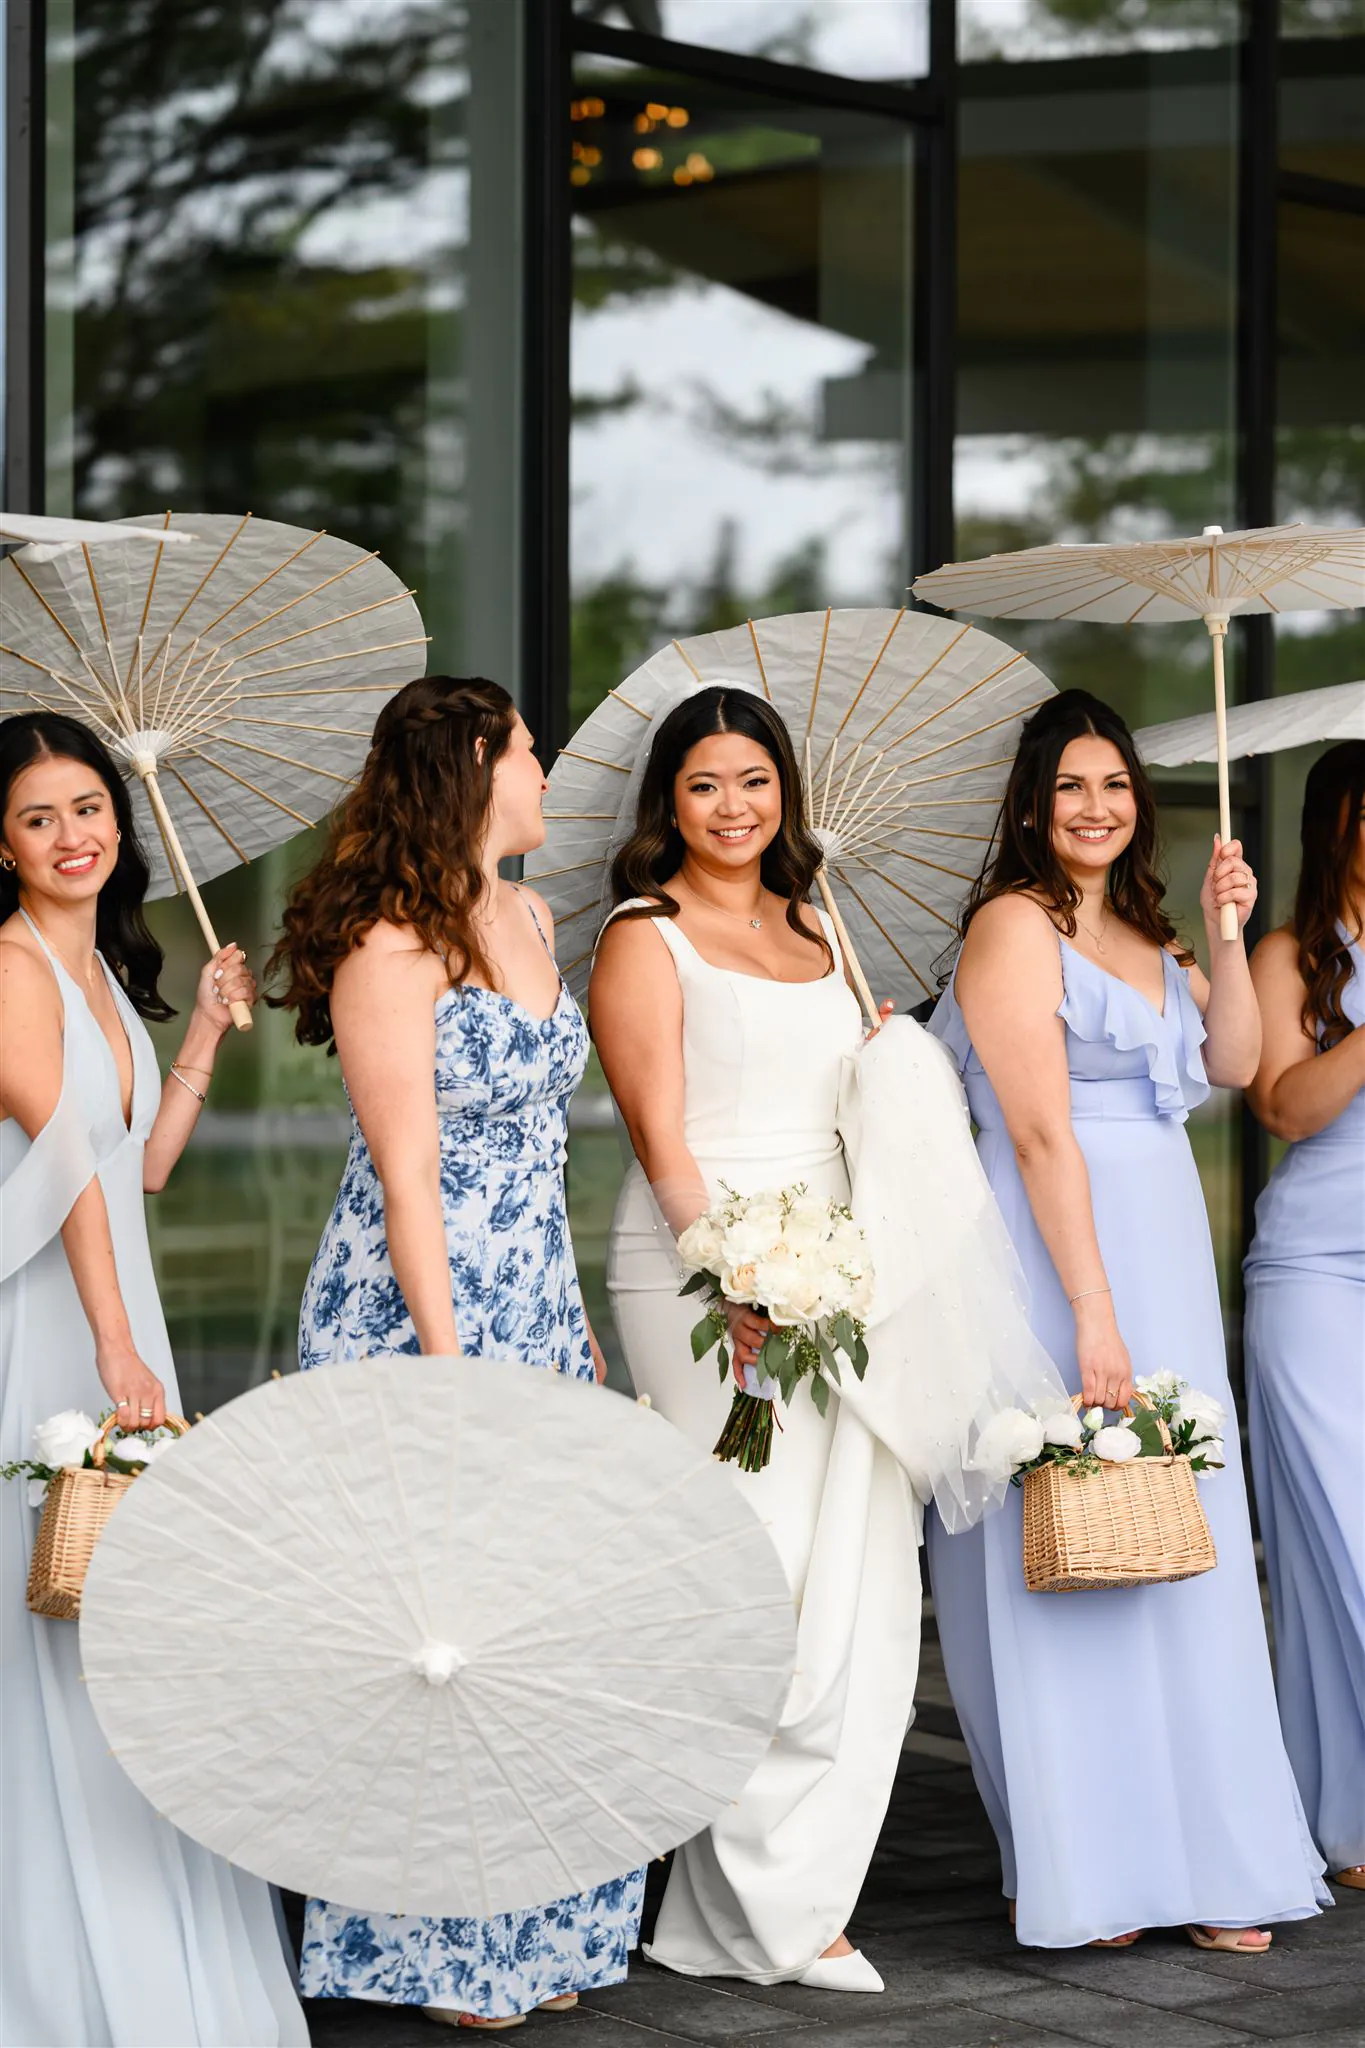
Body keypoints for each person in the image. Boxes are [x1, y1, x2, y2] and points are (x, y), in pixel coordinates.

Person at [266, 674, 644, 2031]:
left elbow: (542, 1152)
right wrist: (448, 1357)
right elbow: (406, 1171)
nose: (547, 776)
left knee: (534, 1625)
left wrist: (568, 1321)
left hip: (530, 1294)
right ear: (472, 773)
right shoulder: (387, 942)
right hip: (416, 1308)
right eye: (530, 754)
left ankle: (530, 1930)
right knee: (433, 1636)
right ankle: (430, 1950)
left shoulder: (532, 915)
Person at [925, 688, 1330, 1953]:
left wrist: (1225, 930)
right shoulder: (1010, 926)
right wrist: (1092, 1318)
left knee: (1179, 1540)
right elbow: (1041, 1131)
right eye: (1070, 789)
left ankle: (1210, 1851)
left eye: (1113, 787)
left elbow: (1228, 1063)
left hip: (1159, 1254)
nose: (1095, 809)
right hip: (1061, 1262)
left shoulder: (1152, 935)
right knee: (1069, 1540)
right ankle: (1091, 1860)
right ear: (1033, 807)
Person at [589, 683, 922, 1994]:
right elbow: (658, 1135)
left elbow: (847, 1098)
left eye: (755, 782)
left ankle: (753, 1909)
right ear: (668, 803)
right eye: (705, 785)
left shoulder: (815, 919)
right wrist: (726, 1272)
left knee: (847, 1566)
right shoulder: (641, 935)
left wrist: (881, 1054)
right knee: (750, 1559)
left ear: (785, 792)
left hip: (834, 1269)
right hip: (700, 1277)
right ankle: (758, 1903)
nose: (735, 808)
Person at [0, 711, 306, 2048]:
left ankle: (153, 1956)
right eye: (39, 817)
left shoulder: (109, 976)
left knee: (125, 1629)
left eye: (89, 809)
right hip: (51, 1334)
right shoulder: (8, 970)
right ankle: (64, 1971)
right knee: (53, 1622)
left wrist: (201, 1039)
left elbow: (144, 1169)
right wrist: (116, 1345)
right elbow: (66, 1166)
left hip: (123, 1320)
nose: (75, 835)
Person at [1244, 740, 1365, 1891]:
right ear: (1343, 826)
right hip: (1320, 1275)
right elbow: (1284, 1105)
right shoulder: (1291, 953)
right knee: (1345, 1541)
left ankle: (1355, 1819)